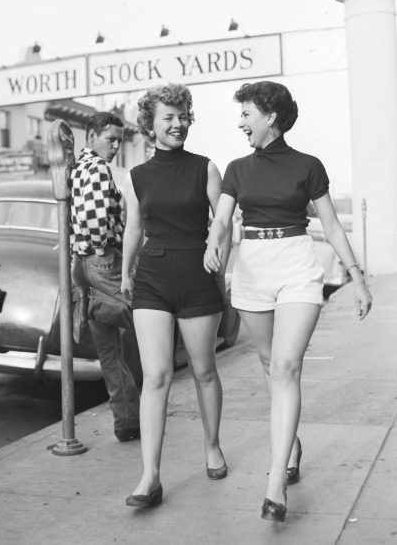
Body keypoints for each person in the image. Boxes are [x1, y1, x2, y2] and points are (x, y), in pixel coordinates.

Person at [204, 80, 372, 522]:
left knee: (285, 366)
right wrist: (213, 243)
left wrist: (357, 278)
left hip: (297, 265)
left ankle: (275, 480)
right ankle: (291, 442)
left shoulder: (309, 166)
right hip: (254, 268)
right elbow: (221, 220)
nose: (241, 121)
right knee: (268, 364)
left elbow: (332, 226)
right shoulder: (237, 168)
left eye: (246, 113)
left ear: (270, 116)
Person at [121, 83, 230, 509]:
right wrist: (126, 272)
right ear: (151, 124)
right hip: (151, 277)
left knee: (204, 371)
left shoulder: (206, 168)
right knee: (157, 376)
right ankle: (150, 475)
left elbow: (223, 221)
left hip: (197, 275)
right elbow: (134, 228)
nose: (178, 123)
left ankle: (212, 445)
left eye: (182, 115)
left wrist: (219, 252)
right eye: (168, 117)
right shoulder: (136, 176)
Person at [70, 112, 140, 443]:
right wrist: (104, 250)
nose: (114, 146)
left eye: (118, 141)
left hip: (83, 264)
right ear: (92, 137)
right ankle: (136, 416)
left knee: (110, 352)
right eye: (109, 139)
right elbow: (96, 220)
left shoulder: (78, 167)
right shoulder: (97, 167)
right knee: (147, 315)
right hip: (101, 260)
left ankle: (127, 422)